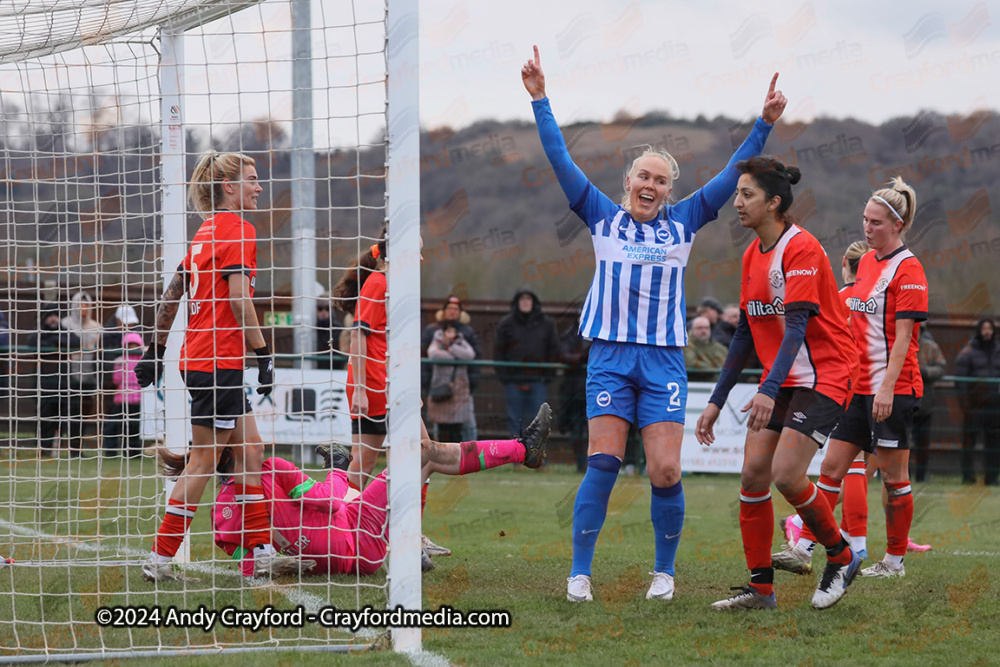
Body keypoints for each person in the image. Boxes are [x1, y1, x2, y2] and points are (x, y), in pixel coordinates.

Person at [522, 45, 786, 603]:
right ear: (628, 181)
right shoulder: (600, 215)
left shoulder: (686, 220)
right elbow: (559, 159)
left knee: (666, 470)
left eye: (662, 180)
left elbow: (732, 174)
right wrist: (541, 100)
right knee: (603, 464)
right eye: (644, 175)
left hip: (663, 358)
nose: (652, 185)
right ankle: (579, 574)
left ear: (670, 190)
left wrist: (763, 124)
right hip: (611, 356)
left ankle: (664, 573)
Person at [696, 156, 861, 610]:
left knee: (787, 474)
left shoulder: (802, 248)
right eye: (737, 194)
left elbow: (795, 329)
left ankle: (842, 556)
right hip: (784, 377)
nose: (737, 203)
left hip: (826, 373)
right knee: (752, 474)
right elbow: (747, 332)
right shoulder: (751, 254)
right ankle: (761, 591)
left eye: (746, 194)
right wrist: (716, 400)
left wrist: (767, 390)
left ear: (773, 203)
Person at [132, 150, 298, 583]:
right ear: (229, 187)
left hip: (201, 359)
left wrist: (155, 349)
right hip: (218, 361)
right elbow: (240, 300)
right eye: (252, 178)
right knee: (205, 461)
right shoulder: (239, 230)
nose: (259, 187)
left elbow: (173, 295)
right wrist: (263, 355)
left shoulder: (204, 233)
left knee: (251, 450)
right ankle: (160, 558)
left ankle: (260, 552)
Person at [774, 177, 928, 580]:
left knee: (895, 479)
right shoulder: (869, 263)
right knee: (831, 469)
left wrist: (887, 387)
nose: (867, 228)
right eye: (864, 219)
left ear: (897, 225)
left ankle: (894, 562)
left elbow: (905, 340)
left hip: (892, 389)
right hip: (857, 389)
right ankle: (804, 547)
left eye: (875, 222)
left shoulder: (909, 269)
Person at [205, 405, 551, 576]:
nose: (258, 440)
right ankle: (522, 450)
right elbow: (328, 503)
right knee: (422, 453)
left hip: (347, 534)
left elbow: (246, 562)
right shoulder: (273, 469)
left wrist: (291, 562)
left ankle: (411, 545)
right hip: (356, 535)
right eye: (249, 435)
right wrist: (337, 470)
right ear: (236, 448)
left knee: (415, 455)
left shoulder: (219, 510)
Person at [331, 233, 389, 492]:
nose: (421, 257)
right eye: (417, 250)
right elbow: (357, 334)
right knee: (363, 464)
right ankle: (335, 521)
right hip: (375, 385)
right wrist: (362, 391)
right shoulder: (379, 282)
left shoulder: (393, 284)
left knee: (422, 454)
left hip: (388, 384)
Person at [493, 287, 562, 436]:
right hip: (513, 382)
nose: (525, 302)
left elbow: (554, 350)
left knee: (539, 420)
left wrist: (547, 376)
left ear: (534, 302)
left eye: (528, 299)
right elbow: (498, 352)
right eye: (522, 299)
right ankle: (516, 455)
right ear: (517, 302)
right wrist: (506, 377)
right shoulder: (506, 323)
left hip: (538, 381)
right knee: (514, 420)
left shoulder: (546, 323)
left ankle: (535, 456)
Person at [420, 295, 483, 440]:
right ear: (443, 311)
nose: (452, 312)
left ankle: (470, 459)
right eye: (449, 308)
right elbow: (427, 355)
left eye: (456, 309)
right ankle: (439, 459)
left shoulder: (467, 332)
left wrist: (472, 383)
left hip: (462, 388)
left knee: (468, 426)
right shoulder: (431, 331)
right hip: (438, 387)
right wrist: (426, 383)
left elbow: (474, 356)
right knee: (439, 425)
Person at [955, 318, 1000, 486]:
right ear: (979, 330)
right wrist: (966, 406)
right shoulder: (968, 352)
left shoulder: (998, 350)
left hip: (995, 407)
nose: (987, 332)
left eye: (990, 328)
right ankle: (968, 476)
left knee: (994, 443)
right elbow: (960, 381)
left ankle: (992, 477)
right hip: (974, 407)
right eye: (984, 328)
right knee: (969, 442)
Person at [36, 303, 83, 456]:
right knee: (46, 418)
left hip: (65, 384)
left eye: (55, 315)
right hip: (45, 385)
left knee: (71, 417)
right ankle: (45, 448)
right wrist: (56, 343)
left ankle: (74, 450)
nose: (53, 319)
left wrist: (58, 342)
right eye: (49, 316)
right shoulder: (39, 333)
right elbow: (35, 343)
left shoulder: (64, 332)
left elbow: (76, 341)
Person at [426, 321, 477, 444]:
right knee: (442, 428)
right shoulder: (436, 340)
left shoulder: (461, 341)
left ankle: (457, 460)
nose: (450, 334)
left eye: (453, 331)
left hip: (459, 392)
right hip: (441, 390)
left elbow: (470, 355)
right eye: (448, 331)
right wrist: (456, 356)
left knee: (458, 429)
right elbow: (433, 354)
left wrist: (451, 348)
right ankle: (443, 459)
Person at [912, 327, 946, 482]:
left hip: (925, 403)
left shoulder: (931, 347)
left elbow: (941, 367)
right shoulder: (901, 342)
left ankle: (921, 475)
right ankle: (902, 475)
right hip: (904, 401)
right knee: (903, 443)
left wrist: (925, 372)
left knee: (923, 442)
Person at [104, 332, 144, 457]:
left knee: (129, 427)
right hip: (128, 399)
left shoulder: (121, 360)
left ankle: (127, 452)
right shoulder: (144, 359)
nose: (132, 348)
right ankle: (118, 452)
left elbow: (116, 379)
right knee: (122, 426)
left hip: (129, 398)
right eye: (130, 345)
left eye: (134, 345)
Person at [684, 316, 728, 382]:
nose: (704, 331)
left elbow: (729, 367)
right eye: (700, 328)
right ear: (692, 329)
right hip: (696, 384)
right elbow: (691, 364)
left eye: (706, 328)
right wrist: (714, 367)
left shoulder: (720, 347)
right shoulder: (686, 345)